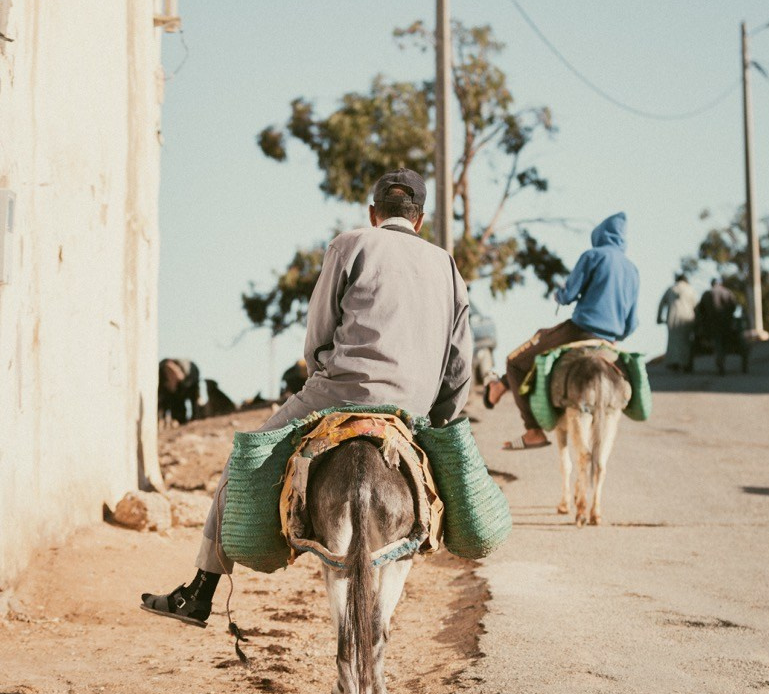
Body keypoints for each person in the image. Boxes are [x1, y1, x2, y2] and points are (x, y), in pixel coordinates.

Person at [141, 169, 473, 624]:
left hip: (339, 392)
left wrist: (323, 377)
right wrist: (438, 420)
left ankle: (201, 590)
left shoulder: (351, 244)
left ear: (375, 214)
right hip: (412, 406)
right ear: (420, 219)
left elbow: (317, 336)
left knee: (243, 461)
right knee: (449, 485)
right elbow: (459, 364)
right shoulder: (448, 266)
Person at [485, 212, 640, 449]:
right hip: (610, 340)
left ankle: (533, 430)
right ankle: (500, 387)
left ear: (600, 235)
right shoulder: (632, 270)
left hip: (580, 330)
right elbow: (632, 322)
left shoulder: (593, 256)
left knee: (515, 361)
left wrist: (560, 294)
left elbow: (568, 295)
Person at [657, 273, 697, 371]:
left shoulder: (671, 289)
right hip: (688, 318)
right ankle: (686, 363)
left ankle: (674, 362)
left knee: (673, 341)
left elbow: (661, 304)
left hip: (672, 318)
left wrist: (659, 318)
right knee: (686, 341)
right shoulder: (690, 289)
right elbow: (696, 305)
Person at [697, 277, 738, 375]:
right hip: (725, 323)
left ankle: (719, 360)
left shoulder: (707, 294)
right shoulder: (727, 292)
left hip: (711, 324)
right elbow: (733, 307)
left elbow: (700, 309)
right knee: (723, 342)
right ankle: (721, 360)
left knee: (717, 342)